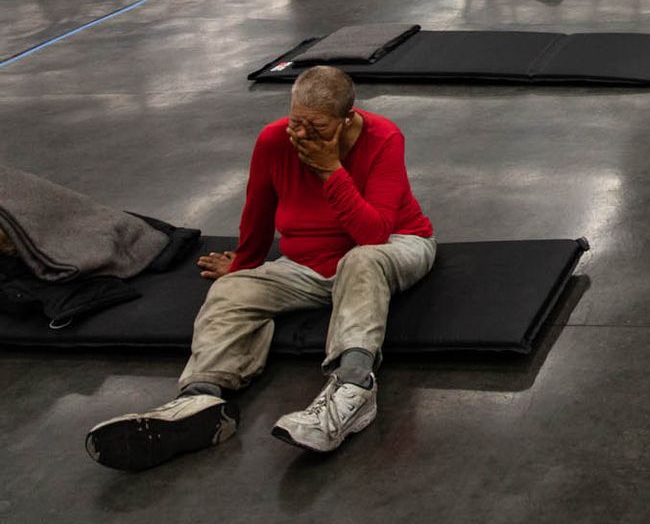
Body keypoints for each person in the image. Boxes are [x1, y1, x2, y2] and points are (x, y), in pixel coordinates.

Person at [85, 67, 435, 470]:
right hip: (308, 264)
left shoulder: (383, 137)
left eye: (316, 127)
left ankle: (353, 388)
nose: (302, 135)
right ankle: (200, 398)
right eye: (296, 122)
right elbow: (258, 211)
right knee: (233, 290)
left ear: (348, 118)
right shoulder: (273, 140)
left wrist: (330, 170)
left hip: (394, 245)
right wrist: (245, 262)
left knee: (361, 259)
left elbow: (372, 234)